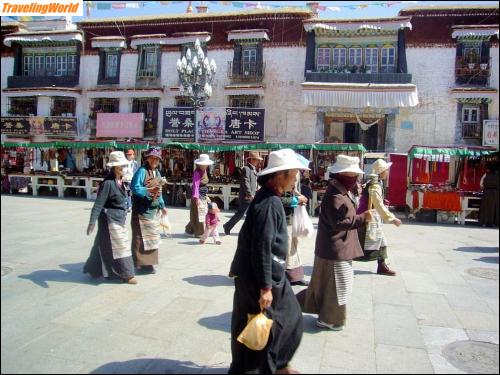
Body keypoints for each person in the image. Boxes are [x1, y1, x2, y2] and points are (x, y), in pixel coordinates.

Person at [229, 148, 309, 374]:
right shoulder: (268, 204)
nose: (295, 179)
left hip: (264, 274)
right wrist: (265, 287)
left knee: (283, 319)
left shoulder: (269, 196)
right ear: (280, 175)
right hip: (259, 278)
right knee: (263, 325)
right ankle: (259, 368)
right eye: (293, 174)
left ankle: (277, 364)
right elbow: (261, 247)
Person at [296, 155, 372, 331]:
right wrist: (363, 218)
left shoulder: (341, 190)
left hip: (335, 247)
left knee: (326, 285)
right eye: (353, 175)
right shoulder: (335, 194)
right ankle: (328, 319)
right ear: (344, 174)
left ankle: (289, 305)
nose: (355, 179)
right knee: (338, 286)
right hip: (335, 247)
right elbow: (338, 223)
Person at [84, 151, 137, 284]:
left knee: (102, 245)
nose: (123, 169)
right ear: (114, 168)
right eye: (120, 167)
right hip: (110, 219)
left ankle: (93, 269)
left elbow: (125, 197)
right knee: (121, 247)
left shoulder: (121, 182)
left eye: (124, 166)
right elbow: (98, 204)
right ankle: (127, 274)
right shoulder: (107, 184)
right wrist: (92, 222)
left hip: (120, 218)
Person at [355, 159, 402, 276]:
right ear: (382, 172)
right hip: (369, 217)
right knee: (361, 241)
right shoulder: (375, 185)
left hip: (372, 216)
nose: (388, 172)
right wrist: (392, 218)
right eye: (386, 170)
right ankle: (341, 261)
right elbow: (378, 205)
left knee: (381, 241)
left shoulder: (375, 183)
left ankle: (382, 265)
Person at [130, 147, 168, 275]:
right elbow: (134, 187)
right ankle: (140, 263)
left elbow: (159, 190)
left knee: (151, 237)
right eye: (152, 158)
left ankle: (149, 263)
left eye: (157, 159)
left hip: (152, 210)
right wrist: (147, 191)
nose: (154, 160)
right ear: (148, 158)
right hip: (141, 209)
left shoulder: (157, 173)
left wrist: (162, 205)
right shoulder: (141, 171)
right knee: (139, 237)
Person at [223, 151, 262, 235]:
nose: (258, 161)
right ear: (252, 159)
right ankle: (227, 226)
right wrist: (249, 193)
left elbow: (252, 181)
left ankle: (251, 230)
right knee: (240, 213)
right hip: (247, 196)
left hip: (252, 195)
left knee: (253, 213)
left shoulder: (253, 169)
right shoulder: (246, 168)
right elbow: (245, 182)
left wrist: (257, 187)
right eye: (256, 160)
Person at [281, 180, 309, 286]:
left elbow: (293, 192)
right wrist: (296, 200)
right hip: (283, 219)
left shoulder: (292, 176)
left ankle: (295, 276)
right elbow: (278, 199)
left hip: (291, 218)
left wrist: (299, 196)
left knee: (294, 247)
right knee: (287, 249)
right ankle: (288, 276)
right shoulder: (277, 178)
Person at [185, 154, 214, 238]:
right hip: (197, 195)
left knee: (198, 213)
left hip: (203, 193)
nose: (205, 165)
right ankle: (199, 232)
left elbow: (204, 185)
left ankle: (189, 230)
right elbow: (196, 185)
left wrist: (206, 194)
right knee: (198, 214)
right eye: (204, 164)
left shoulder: (204, 170)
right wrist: (196, 198)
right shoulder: (197, 172)